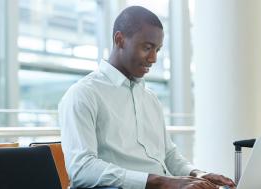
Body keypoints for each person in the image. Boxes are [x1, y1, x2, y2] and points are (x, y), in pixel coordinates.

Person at [59, 6, 236, 189]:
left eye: (157, 50)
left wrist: (198, 174)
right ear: (119, 40)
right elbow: (81, 169)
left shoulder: (150, 98)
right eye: (147, 48)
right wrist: (159, 181)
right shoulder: (83, 94)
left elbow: (168, 155)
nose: (153, 59)